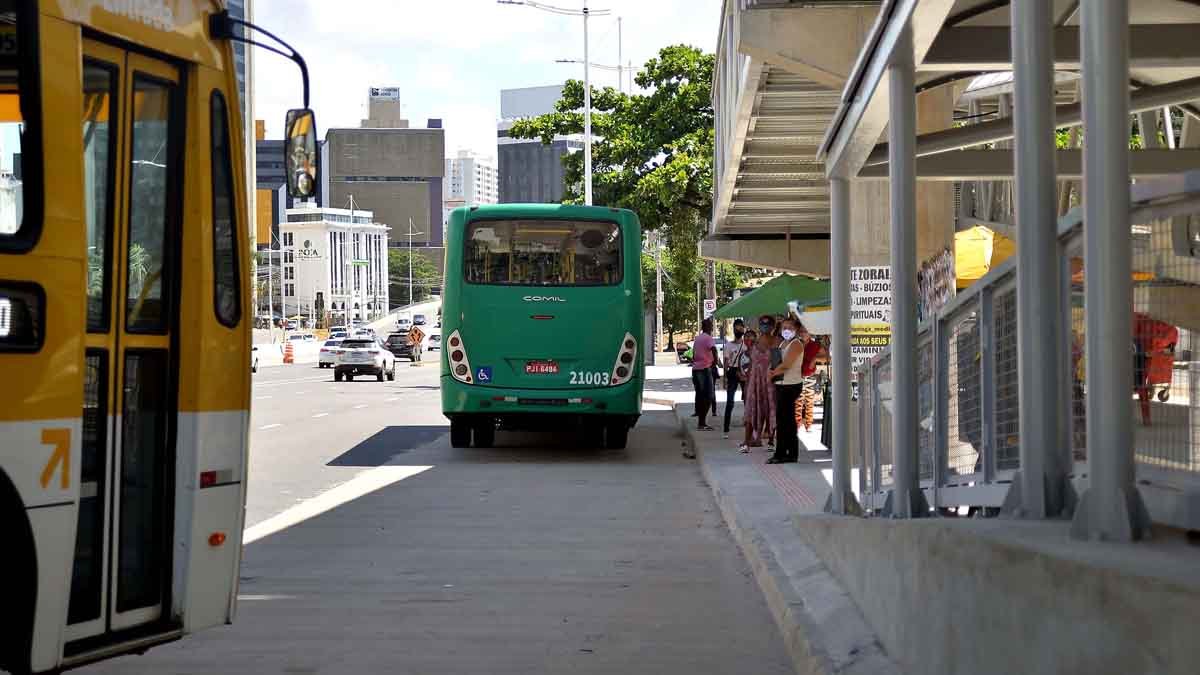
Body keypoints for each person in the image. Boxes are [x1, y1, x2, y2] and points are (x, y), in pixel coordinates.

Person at [768, 318, 807, 464]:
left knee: (785, 421)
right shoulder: (783, 343)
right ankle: (787, 453)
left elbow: (786, 365)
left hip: (791, 385)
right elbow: (777, 362)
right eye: (784, 327)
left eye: (789, 327)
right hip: (781, 384)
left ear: (796, 329)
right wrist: (771, 370)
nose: (786, 329)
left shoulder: (796, 344)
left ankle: (783, 453)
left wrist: (772, 373)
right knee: (784, 420)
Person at [742, 317, 778, 452]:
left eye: (767, 325)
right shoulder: (754, 343)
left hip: (770, 381)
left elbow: (778, 363)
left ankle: (770, 440)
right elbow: (750, 364)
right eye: (762, 324)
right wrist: (747, 384)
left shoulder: (777, 342)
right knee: (751, 408)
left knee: (771, 408)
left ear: (773, 326)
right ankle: (747, 440)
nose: (765, 327)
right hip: (754, 381)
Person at [794, 324, 829, 433]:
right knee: (797, 402)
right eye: (801, 331)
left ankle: (808, 424)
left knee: (809, 401)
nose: (803, 333)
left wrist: (815, 359)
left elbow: (826, 357)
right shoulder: (795, 344)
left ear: (810, 333)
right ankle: (797, 424)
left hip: (810, 376)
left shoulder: (815, 345)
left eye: (805, 331)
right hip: (796, 376)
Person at [722, 319, 749, 438]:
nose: (738, 330)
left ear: (743, 329)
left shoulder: (747, 345)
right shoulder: (728, 345)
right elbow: (726, 362)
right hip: (732, 372)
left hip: (744, 373)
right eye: (736, 328)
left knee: (747, 400)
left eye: (740, 328)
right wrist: (725, 378)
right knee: (730, 402)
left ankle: (749, 425)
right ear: (733, 329)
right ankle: (725, 429)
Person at [690, 318, 717, 432]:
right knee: (709, 396)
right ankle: (702, 422)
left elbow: (694, 354)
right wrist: (714, 363)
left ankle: (701, 422)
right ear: (708, 327)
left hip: (696, 369)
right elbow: (714, 349)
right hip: (705, 369)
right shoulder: (708, 338)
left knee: (701, 396)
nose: (712, 328)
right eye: (711, 326)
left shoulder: (698, 338)